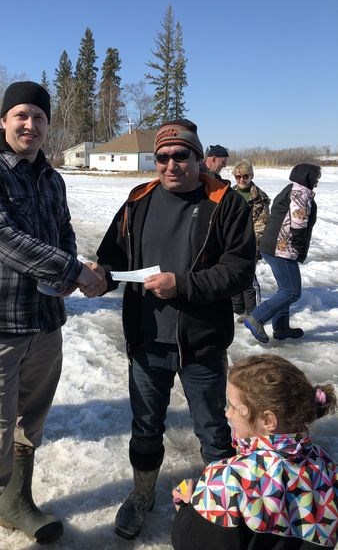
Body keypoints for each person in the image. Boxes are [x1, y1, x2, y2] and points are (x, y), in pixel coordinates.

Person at [0, 81, 104, 550]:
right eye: (21, 115)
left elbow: (63, 232)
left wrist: (75, 271)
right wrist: (74, 269)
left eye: (39, 117)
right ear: (3, 120)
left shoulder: (51, 177)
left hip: (44, 321)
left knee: (27, 428)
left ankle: (16, 506)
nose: (30, 125)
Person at [95, 119, 256, 540]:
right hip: (147, 340)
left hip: (201, 342)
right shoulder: (139, 199)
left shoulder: (226, 202)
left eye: (180, 155)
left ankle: (222, 502)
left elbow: (238, 272)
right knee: (146, 427)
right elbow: (113, 257)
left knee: (215, 432)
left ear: (198, 158)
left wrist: (181, 284)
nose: (170, 164)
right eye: (162, 157)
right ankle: (142, 495)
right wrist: (99, 277)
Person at [172, 353, 338, 549]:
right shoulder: (325, 465)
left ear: (267, 420)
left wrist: (189, 509)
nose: (227, 413)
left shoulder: (226, 480)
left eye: (234, 407)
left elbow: (193, 543)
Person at [244, 163, 321, 344]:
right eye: (316, 177)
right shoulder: (301, 193)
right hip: (282, 247)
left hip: (272, 245)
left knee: (284, 289)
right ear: (307, 176)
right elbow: (298, 225)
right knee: (291, 291)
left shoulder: (290, 188)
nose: (317, 181)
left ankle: (281, 328)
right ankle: (256, 318)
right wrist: (299, 249)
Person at [231, 159, 270, 322]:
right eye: (238, 176)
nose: (241, 179)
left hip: (250, 244)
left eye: (245, 176)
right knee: (232, 276)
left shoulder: (260, 197)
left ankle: (252, 311)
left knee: (248, 279)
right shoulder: (230, 193)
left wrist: (254, 247)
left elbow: (262, 225)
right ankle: (236, 308)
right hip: (231, 243)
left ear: (251, 176)